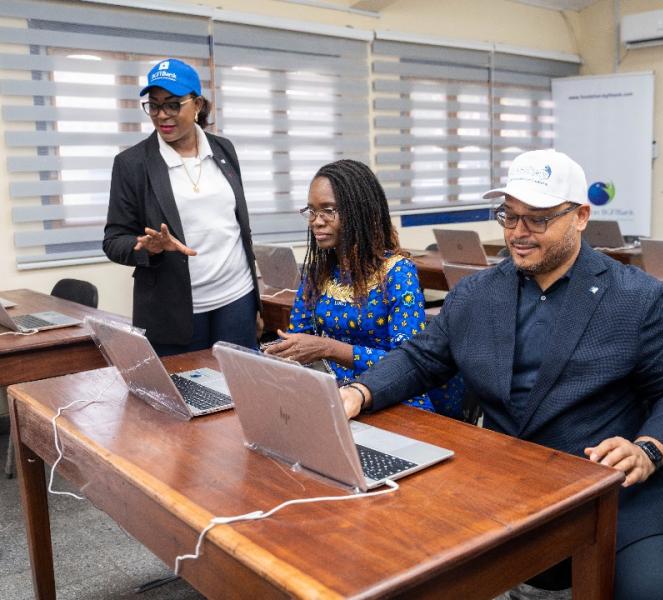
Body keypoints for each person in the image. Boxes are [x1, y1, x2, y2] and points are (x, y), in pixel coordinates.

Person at [338, 149, 663, 598]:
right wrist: (360, 391)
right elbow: (422, 358)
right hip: (501, 480)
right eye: (509, 217)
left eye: (537, 219)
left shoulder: (635, 297)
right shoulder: (476, 293)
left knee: (652, 594)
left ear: (581, 216)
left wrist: (648, 449)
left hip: (610, 490)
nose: (518, 234)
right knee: (389, 562)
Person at [265, 159, 462, 416]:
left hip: (390, 398)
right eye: (311, 211)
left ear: (359, 212)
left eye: (328, 210)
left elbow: (410, 363)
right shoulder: (317, 273)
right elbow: (299, 339)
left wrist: (328, 348)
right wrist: (277, 354)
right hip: (332, 396)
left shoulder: (397, 272)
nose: (316, 221)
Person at [104, 58, 260, 356]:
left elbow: (238, 225)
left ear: (197, 104)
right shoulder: (132, 164)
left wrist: (256, 303)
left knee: (243, 393)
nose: (162, 115)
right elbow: (113, 241)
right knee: (186, 396)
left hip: (237, 298)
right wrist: (148, 247)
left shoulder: (224, 149)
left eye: (173, 104)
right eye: (154, 105)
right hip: (175, 310)